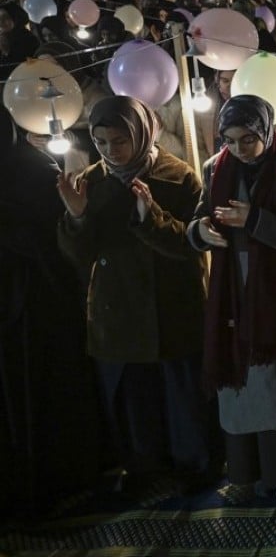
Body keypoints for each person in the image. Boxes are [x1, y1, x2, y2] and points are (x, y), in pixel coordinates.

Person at [55, 96, 212, 492]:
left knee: (180, 392)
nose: (112, 151)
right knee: (132, 396)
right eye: (102, 142)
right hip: (118, 306)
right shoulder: (90, 181)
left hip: (172, 302)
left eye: (120, 141)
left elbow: (191, 242)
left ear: (141, 134)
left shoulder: (177, 176)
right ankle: (143, 465)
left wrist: (150, 218)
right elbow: (79, 255)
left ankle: (192, 463)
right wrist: (77, 216)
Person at [187, 95, 276, 498]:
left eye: (247, 139)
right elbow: (198, 218)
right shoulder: (216, 169)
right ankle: (247, 472)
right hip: (234, 291)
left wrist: (255, 220)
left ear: (266, 131)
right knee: (243, 384)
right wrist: (202, 232)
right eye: (229, 140)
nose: (238, 149)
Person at [0, 106, 101, 513]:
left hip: (38, 303)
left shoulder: (34, 170)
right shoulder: (31, 167)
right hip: (24, 301)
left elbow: (59, 235)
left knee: (44, 386)